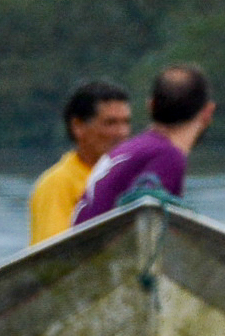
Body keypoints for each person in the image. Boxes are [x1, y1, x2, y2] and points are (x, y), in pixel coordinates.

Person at [72, 65, 215, 227]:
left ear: (151, 105)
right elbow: (151, 230)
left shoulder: (131, 148)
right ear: (208, 111)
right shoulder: (167, 156)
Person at [30, 81, 132, 245]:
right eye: (110, 123)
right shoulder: (57, 184)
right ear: (78, 126)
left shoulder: (133, 178)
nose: (122, 132)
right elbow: (51, 255)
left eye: (126, 122)